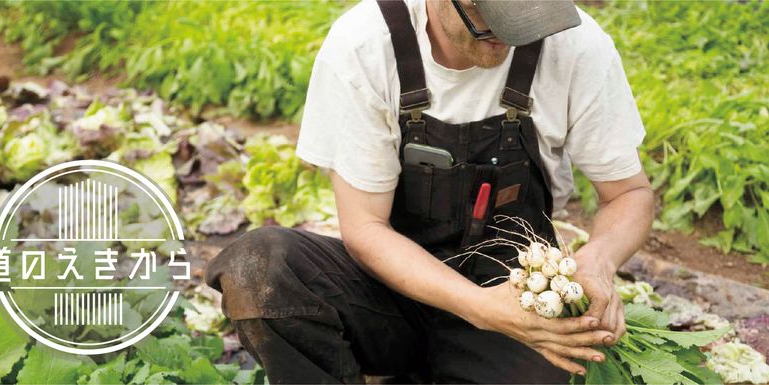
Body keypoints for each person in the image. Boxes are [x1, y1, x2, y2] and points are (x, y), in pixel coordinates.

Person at [206, 0, 653, 383]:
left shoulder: (574, 44)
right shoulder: (364, 45)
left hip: (516, 301)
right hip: (389, 293)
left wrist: (597, 261)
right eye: (490, 19)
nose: (508, 38)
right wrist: (478, 306)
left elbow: (628, 194)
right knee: (260, 267)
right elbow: (364, 227)